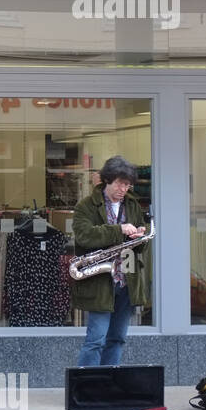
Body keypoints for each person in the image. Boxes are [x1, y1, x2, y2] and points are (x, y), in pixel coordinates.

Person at [71, 156, 150, 366]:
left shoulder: (132, 205)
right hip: (100, 281)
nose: (123, 189)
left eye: (127, 185)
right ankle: (87, 388)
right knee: (95, 340)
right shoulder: (86, 206)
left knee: (117, 338)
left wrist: (140, 237)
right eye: (119, 183)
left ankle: (108, 385)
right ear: (107, 180)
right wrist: (119, 230)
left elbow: (142, 247)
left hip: (126, 281)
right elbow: (84, 236)